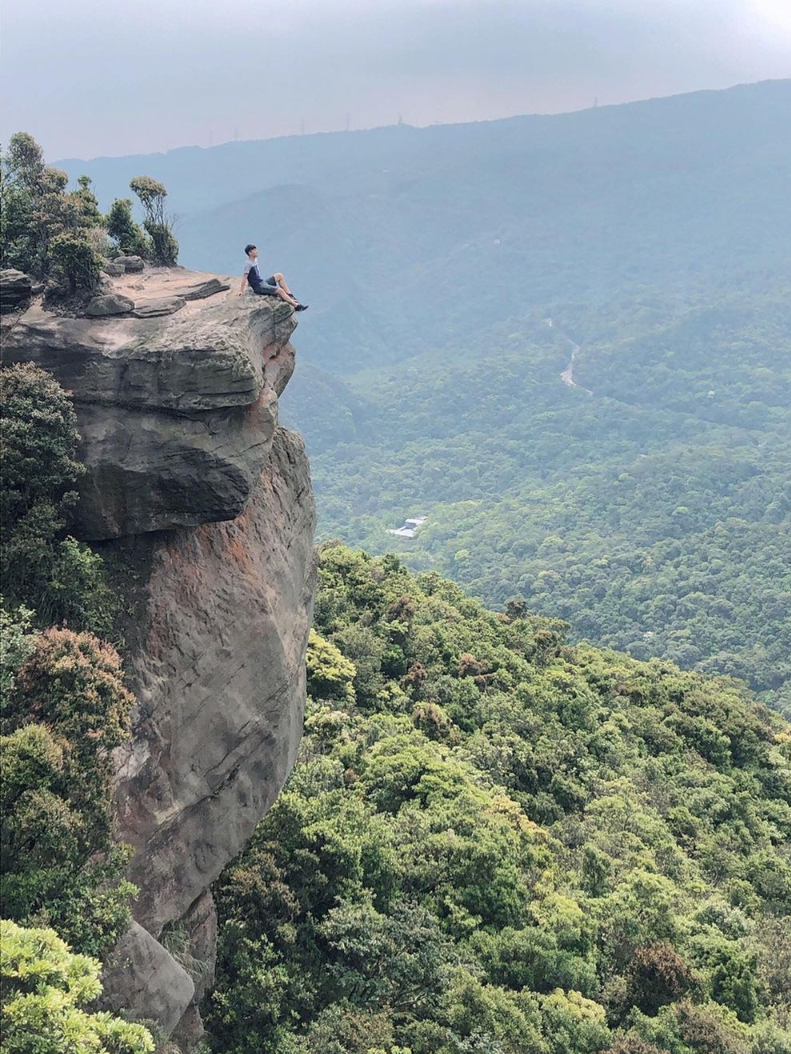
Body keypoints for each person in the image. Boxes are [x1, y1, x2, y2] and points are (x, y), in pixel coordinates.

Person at [237, 244, 308, 311]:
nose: (257, 251)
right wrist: (241, 290)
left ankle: (290, 296)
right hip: (258, 286)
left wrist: (250, 283)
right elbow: (245, 277)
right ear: (250, 253)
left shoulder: (255, 260)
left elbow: (253, 275)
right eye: (254, 250)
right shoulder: (248, 264)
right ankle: (296, 306)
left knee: (279, 275)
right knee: (280, 290)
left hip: (261, 282)